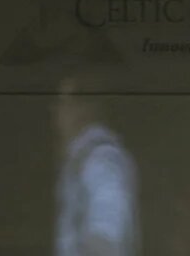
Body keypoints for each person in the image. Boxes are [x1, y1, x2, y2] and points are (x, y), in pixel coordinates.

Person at [51, 79, 138, 256]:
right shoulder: (80, 159)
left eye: (63, 102)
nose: (56, 112)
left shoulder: (101, 159)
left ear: (83, 109)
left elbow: (104, 237)